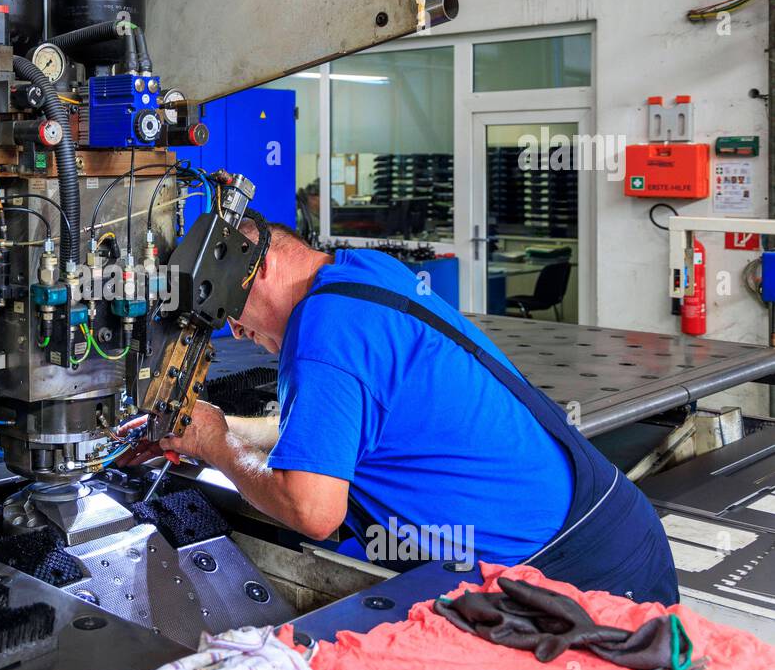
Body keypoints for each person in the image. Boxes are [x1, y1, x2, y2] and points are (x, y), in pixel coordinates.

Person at [159, 222, 678, 604]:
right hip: (612, 526)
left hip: (574, 574)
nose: (236, 333)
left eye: (230, 310)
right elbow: (338, 432)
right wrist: (216, 426)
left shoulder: (324, 336)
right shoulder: (359, 274)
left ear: (262, 265)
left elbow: (312, 511)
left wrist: (215, 446)